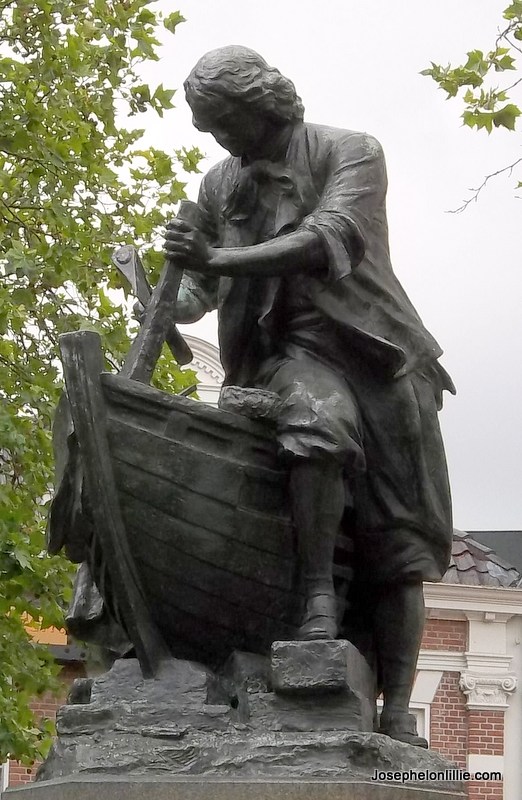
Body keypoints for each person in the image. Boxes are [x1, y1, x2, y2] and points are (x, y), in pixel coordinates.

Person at [164, 45, 455, 747]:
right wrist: (169, 289)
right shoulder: (219, 186)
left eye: (224, 119)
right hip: (286, 356)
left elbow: (328, 238)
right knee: (315, 419)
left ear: (262, 101)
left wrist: (217, 258)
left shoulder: (351, 152)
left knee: (401, 540)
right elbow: (203, 293)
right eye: (206, 126)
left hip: (377, 354)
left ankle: (393, 717)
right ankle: (315, 600)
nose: (217, 138)